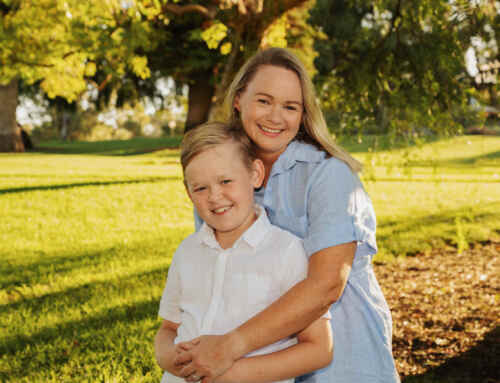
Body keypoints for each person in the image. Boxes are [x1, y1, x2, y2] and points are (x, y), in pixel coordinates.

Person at [174, 48, 401, 383]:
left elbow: (326, 286)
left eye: (290, 106)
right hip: (257, 366)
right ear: (238, 100)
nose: (275, 117)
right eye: (264, 101)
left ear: (303, 113)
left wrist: (230, 347)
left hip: (341, 362)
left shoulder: (328, 176)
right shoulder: (217, 182)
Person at [154, 121, 333, 383]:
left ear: (255, 174)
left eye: (226, 181)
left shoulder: (286, 251)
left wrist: (231, 374)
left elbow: (319, 349)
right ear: (188, 192)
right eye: (200, 188)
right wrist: (178, 363)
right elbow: (168, 329)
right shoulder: (187, 252)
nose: (215, 196)